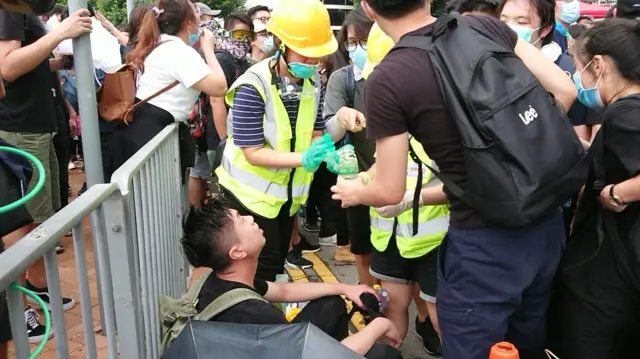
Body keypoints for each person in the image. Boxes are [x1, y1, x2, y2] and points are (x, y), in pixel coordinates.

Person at [331, 0, 578, 358]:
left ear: (368, 9)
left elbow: (389, 188)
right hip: (546, 223)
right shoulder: (483, 27)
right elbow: (565, 91)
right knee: (526, 344)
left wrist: (354, 188)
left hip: (484, 240)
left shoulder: (388, 76)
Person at [181, 198, 404, 359]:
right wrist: (379, 325)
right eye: (241, 220)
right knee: (383, 354)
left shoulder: (221, 282)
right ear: (237, 252)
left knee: (331, 303)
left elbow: (284, 291)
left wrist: (345, 288)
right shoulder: (254, 314)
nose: (250, 218)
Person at [214, 0, 340, 281]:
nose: (312, 63)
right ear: (282, 44)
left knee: (273, 269)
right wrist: (305, 159)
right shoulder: (252, 85)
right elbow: (253, 153)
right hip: (249, 201)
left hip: (285, 200)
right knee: (257, 275)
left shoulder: (312, 83)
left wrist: (325, 150)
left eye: (316, 56)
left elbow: (315, 131)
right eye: (305, 55)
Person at [548, 19, 640, 359]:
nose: (578, 78)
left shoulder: (626, 113)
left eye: (577, 67)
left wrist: (617, 194)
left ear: (597, 65)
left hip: (607, 278)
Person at [355, 23, 448, 356]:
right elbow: (379, 168)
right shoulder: (390, 120)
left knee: (443, 322)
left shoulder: (438, 125)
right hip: (390, 239)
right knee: (393, 311)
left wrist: (410, 200)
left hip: (435, 242)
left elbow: (461, 186)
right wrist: (358, 183)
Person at [0, 9, 89, 340]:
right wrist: (59, 34)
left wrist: (61, 62)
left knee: (39, 220)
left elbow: (27, 68)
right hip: (19, 129)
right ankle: (17, 306)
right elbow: (7, 67)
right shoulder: (8, 10)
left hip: (36, 125)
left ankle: (39, 288)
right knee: (20, 227)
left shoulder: (21, 13)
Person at [499, 0, 589, 238]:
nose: (509, 29)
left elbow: (578, 139)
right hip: (499, 200)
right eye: (502, 20)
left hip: (551, 201)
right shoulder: (488, 68)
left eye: (522, 22)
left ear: (546, 28)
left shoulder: (566, 71)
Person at [111, 0, 227, 174]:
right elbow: (219, 87)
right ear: (188, 24)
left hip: (140, 131)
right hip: (149, 135)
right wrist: (209, 49)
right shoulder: (177, 51)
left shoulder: (160, 44)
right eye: (197, 15)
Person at [209, 11, 255, 140]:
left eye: (249, 36)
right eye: (239, 35)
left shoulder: (243, 60)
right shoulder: (222, 59)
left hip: (238, 133)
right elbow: (215, 101)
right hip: (220, 135)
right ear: (227, 34)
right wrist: (224, 139)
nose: (244, 40)